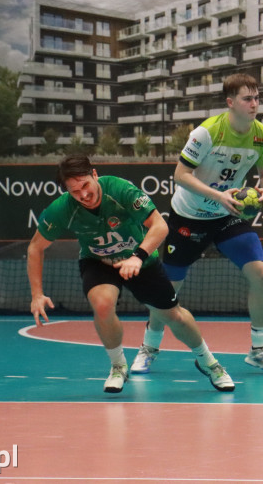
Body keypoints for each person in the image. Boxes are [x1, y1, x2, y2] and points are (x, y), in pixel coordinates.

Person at [27, 154, 235, 393]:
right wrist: (37, 294)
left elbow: (160, 226)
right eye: (74, 191)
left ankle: (209, 362)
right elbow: (35, 246)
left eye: (85, 185)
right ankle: (118, 366)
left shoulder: (120, 190)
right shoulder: (63, 208)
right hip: (98, 261)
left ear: (94, 175)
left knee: (173, 316)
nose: (83, 195)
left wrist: (138, 257)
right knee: (103, 305)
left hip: (140, 259)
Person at [133, 73, 263, 375]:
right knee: (168, 290)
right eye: (247, 98)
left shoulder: (261, 135)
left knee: (261, 274)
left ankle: (259, 349)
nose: (254, 104)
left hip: (228, 216)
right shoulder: (207, 133)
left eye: (257, 98)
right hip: (189, 216)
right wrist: (218, 195)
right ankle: (148, 347)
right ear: (230, 102)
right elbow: (180, 175)